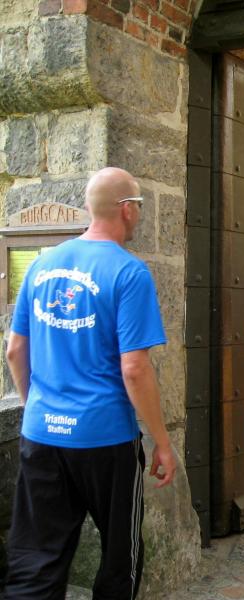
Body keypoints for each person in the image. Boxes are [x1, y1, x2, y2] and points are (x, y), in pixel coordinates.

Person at [4, 167, 176, 599]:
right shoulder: (129, 272)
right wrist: (162, 441)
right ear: (127, 210)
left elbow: (15, 350)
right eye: (139, 205)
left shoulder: (42, 264)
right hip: (104, 438)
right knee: (120, 560)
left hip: (42, 435)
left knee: (35, 561)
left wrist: (37, 408)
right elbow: (134, 368)